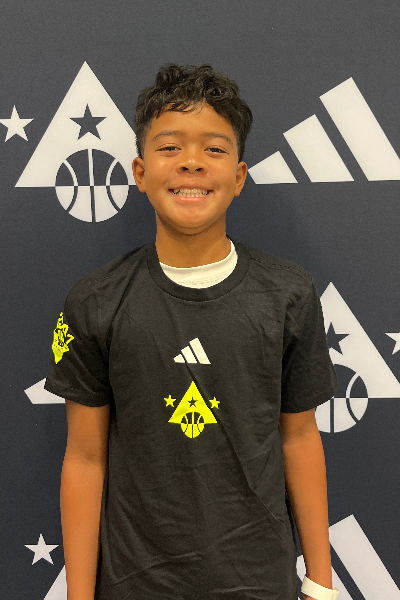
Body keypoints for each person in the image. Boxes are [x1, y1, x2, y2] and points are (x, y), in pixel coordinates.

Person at [45, 64, 339, 600]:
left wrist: (321, 581)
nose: (191, 162)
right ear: (139, 172)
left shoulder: (288, 294)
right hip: (136, 582)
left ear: (240, 177)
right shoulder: (96, 300)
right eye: (170, 147)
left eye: (214, 149)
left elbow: (299, 437)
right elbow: (84, 459)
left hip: (258, 579)